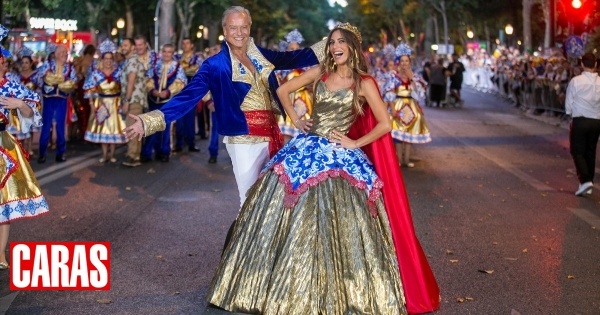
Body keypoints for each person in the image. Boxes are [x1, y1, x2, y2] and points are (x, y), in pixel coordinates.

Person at [206, 23, 439, 314]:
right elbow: (284, 89)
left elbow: (384, 124)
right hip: (306, 147)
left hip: (342, 157)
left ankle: (338, 292)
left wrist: (356, 143)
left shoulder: (364, 82)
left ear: (353, 46)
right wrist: (297, 120)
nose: (334, 47)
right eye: (331, 43)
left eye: (341, 42)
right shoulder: (322, 73)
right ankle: (280, 288)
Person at [124, 6, 326, 207]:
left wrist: (332, 44)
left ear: (249, 28)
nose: (239, 33)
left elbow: (294, 58)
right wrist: (149, 120)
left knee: (272, 199)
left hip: (272, 134)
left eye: (243, 27)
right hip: (243, 138)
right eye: (233, 28)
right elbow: (188, 96)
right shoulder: (215, 65)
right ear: (224, 30)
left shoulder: (260, 55)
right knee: (248, 201)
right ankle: (245, 239)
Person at [0, 24, 49, 269]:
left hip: (3, 146)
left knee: (4, 201)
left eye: (2, 61)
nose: (2, 65)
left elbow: (32, 111)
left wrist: (19, 104)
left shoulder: (11, 85)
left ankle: (0, 254)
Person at [83, 39, 128, 163]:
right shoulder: (96, 74)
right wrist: (92, 105)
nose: (108, 61)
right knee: (103, 128)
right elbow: (89, 89)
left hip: (115, 104)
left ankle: (112, 154)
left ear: (113, 60)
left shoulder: (119, 72)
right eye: (106, 59)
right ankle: (104, 154)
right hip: (102, 103)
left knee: (114, 129)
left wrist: (124, 102)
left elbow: (125, 87)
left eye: (110, 59)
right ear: (102, 60)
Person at [142, 43, 187, 163]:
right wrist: (153, 90)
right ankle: (147, 153)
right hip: (153, 100)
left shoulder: (177, 67)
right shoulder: (154, 66)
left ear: (172, 54)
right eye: (164, 52)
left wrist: (168, 92)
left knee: (165, 128)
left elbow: (180, 82)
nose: (166, 54)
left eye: (169, 52)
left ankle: (164, 152)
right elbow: (148, 79)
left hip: (167, 102)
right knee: (151, 126)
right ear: (161, 52)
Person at [389, 43, 431, 167]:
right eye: (402, 61)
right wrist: (392, 109)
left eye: (406, 61)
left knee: (408, 134)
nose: (404, 63)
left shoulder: (415, 77)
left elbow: (420, 94)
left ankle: (406, 160)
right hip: (398, 107)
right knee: (397, 135)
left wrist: (412, 78)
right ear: (398, 62)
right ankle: (398, 160)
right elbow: (389, 94)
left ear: (409, 62)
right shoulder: (393, 77)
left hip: (411, 108)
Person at [565, 52, 600, 196]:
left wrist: (569, 113)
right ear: (596, 65)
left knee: (577, 151)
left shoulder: (576, 81)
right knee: (590, 152)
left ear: (582, 64)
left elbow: (569, 102)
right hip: (596, 121)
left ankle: (585, 181)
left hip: (580, 120)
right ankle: (588, 182)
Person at [37, 44, 78, 163]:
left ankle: (60, 153)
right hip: (49, 99)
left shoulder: (70, 68)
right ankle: (42, 153)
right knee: (46, 126)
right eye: (61, 53)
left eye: (65, 53)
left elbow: (74, 82)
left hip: (62, 99)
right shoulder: (47, 65)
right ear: (56, 54)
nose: (64, 55)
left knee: (61, 127)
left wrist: (59, 83)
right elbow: (39, 77)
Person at [121, 35, 157, 167]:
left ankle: (133, 156)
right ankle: (134, 154)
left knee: (133, 128)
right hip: (135, 100)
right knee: (133, 127)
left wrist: (126, 100)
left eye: (126, 45)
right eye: (122, 45)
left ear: (132, 48)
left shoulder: (132, 62)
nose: (123, 48)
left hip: (134, 100)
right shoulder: (131, 60)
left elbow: (131, 81)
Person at [276, 29, 314, 144]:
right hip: (286, 102)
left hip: (304, 101)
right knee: (286, 136)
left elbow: (313, 83)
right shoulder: (280, 67)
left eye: (297, 50)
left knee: (303, 137)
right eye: (291, 49)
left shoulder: (307, 67)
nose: (294, 52)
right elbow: (276, 84)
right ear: (286, 51)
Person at [173, 37, 202, 153]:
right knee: (179, 118)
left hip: (191, 92)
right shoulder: (176, 58)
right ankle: (179, 143)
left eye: (187, 43)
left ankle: (191, 143)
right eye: (183, 43)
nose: (184, 45)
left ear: (192, 45)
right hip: (179, 91)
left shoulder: (197, 59)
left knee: (190, 118)